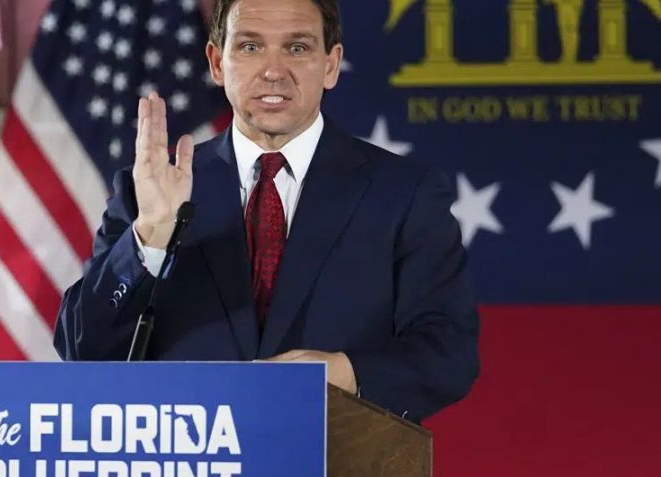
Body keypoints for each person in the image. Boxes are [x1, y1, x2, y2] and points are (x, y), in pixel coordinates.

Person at [54, 0, 479, 423]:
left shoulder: (404, 193)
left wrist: (347, 374)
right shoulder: (151, 191)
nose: (274, 70)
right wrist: (148, 238)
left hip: (338, 470)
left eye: (297, 48)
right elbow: (82, 348)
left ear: (331, 65)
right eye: (250, 47)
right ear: (217, 62)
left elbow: (448, 353)